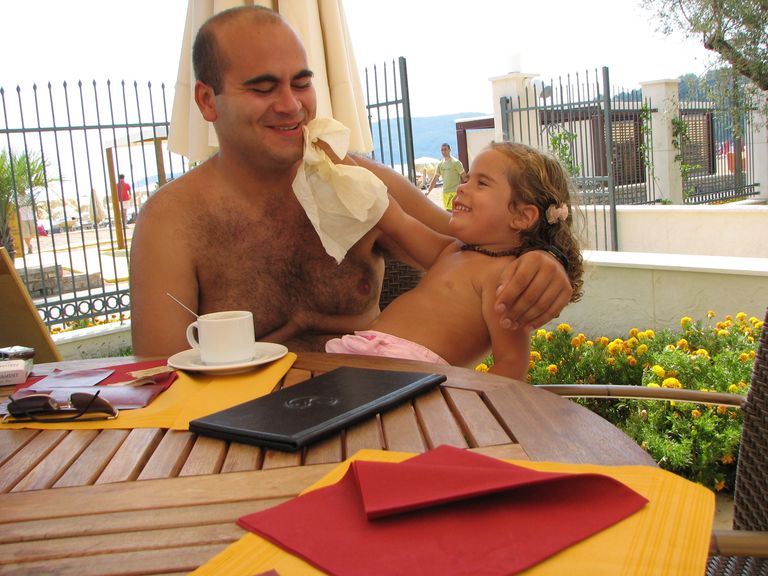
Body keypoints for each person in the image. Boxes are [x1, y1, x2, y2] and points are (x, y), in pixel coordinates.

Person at [129, 6, 573, 358]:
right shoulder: (173, 221)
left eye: (301, 83)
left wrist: (548, 260)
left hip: (376, 409)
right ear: (207, 100)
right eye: (263, 88)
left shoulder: (362, 183)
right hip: (240, 424)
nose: (291, 105)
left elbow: (481, 244)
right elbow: (160, 376)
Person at [326, 142, 583, 380]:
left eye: (482, 183)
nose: (462, 187)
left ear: (522, 216)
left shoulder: (505, 278)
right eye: (467, 178)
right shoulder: (452, 250)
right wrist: (334, 156)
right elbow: (395, 219)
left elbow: (512, 361)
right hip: (368, 357)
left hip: (414, 374)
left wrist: (472, 404)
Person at [427, 143, 467, 210]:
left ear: (449, 150)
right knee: (448, 211)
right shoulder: (440, 164)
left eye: (445, 149)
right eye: (442, 150)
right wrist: (428, 191)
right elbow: (435, 178)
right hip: (445, 192)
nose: (443, 152)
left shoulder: (456, 162)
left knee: (451, 212)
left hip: (454, 192)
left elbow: (465, 178)